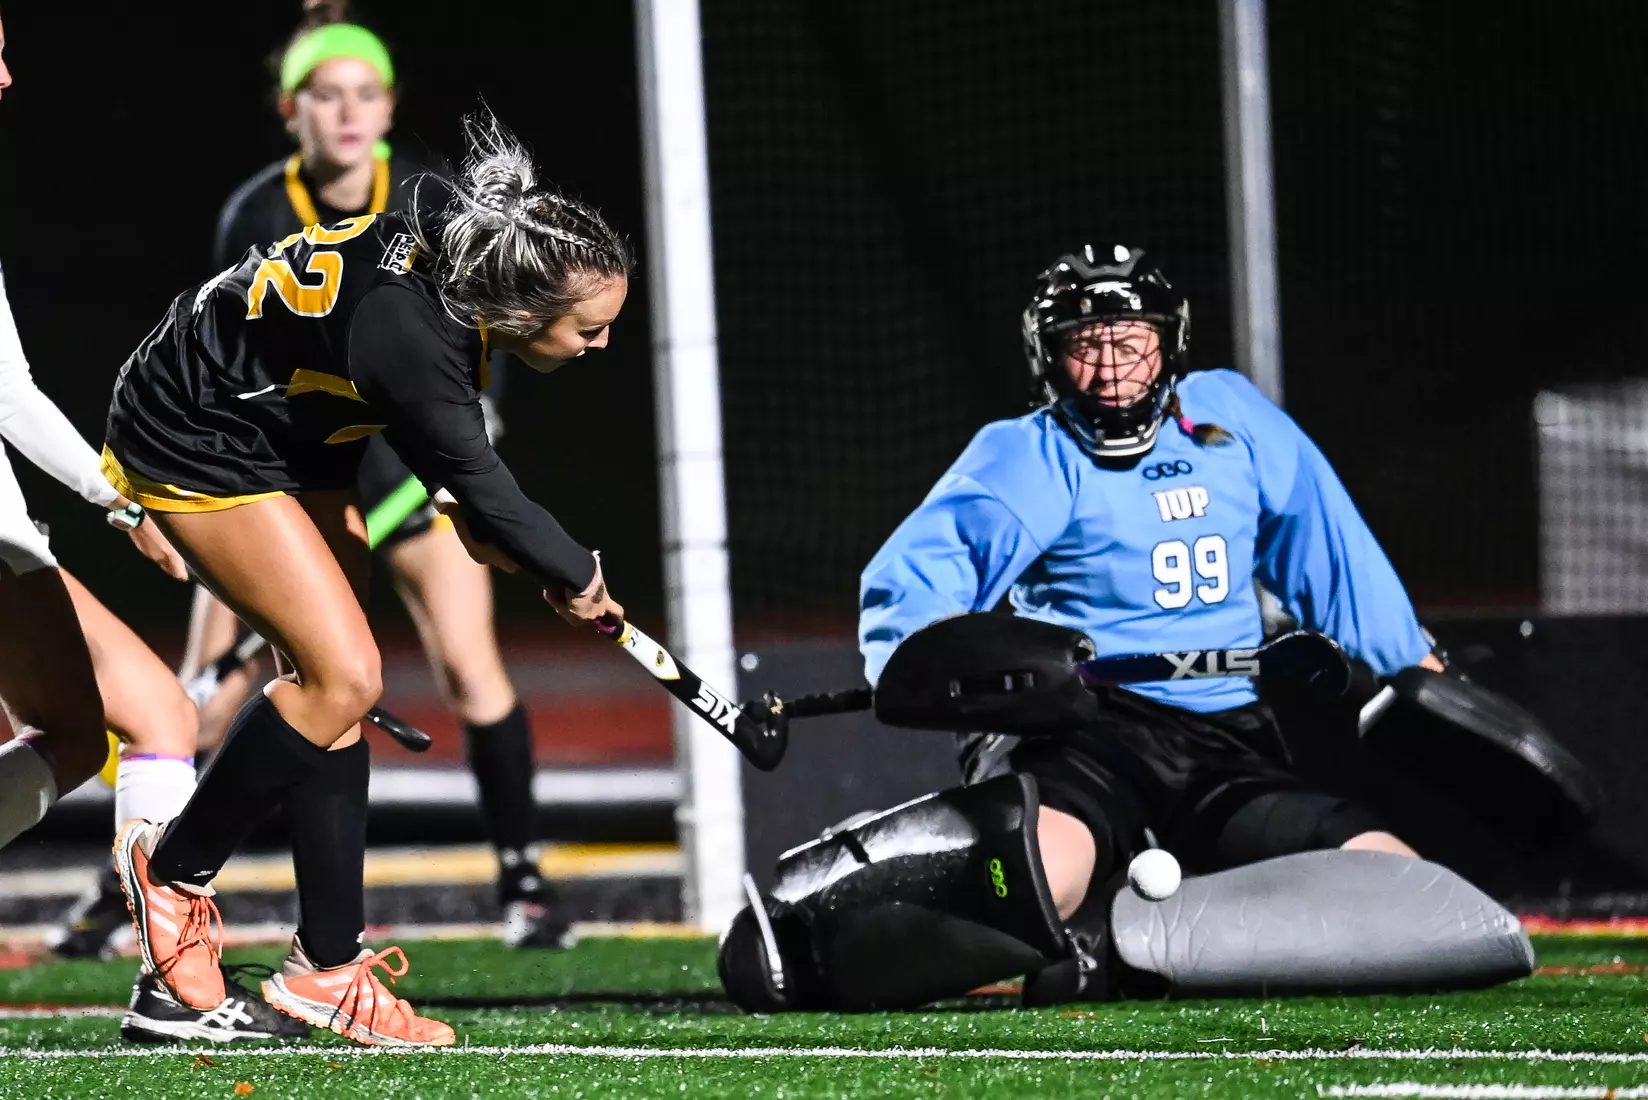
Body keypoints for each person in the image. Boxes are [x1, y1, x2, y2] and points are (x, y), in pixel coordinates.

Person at [716, 245, 1533, 1012]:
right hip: (1078, 735)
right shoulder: (1025, 456)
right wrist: (925, 668)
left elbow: (1329, 549)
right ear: (1048, 354)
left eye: (1131, 340)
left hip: (1227, 744)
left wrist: (1413, 665)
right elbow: (910, 584)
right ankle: (814, 929)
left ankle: (1117, 941)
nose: (1111, 368)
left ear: (1168, 342)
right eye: (1087, 343)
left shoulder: (1235, 420)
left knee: (1395, 887)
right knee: (1046, 874)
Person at [102, 109, 629, 1048]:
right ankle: (170, 880)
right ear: (522, 311)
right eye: (588, 331)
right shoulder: (414, 331)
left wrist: (479, 514)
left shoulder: (447, 254)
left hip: (291, 428)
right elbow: (486, 483)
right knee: (347, 674)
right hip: (196, 429)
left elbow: (436, 441)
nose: (600, 349)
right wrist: (575, 575)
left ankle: (326, 971)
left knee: (331, 690)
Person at [56, 0, 568, 961]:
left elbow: (467, 369)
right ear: (291, 110)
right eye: (324, 95)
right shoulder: (254, 211)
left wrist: (462, 491)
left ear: (387, 106)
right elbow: (229, 369)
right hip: (290, 469)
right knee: (229, 684)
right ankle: (154, 883)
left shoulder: (425, 190)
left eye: (364, 94)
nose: (345, 113)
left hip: (414, 469)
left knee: (464, 663)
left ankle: (524, 882)